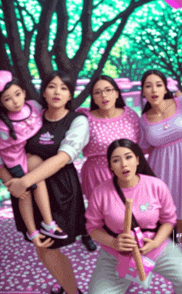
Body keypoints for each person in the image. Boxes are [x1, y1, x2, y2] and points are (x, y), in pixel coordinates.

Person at [1, 70, 88, 294]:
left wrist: (23, 182)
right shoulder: (31, 114)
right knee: (41, 247)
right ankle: (68, 287)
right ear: (43, 91)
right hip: (28, 192)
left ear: (70, 95)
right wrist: (12, 183)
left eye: (63, 88)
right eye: (52, 86)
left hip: (59, 192)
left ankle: (72, 291)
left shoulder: (77, 120)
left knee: (48, 249)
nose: (57, 92)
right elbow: (7, 153)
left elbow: (62, 158)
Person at [85, 138, 182, 294]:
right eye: (116, 160)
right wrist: (114, 242)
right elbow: (92, 228)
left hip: (156, 247)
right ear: (110, 166)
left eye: (128, 157)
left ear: (138, 159)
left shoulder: (156, 185)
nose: (124, 164)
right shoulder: (100, 192)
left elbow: (169, 220)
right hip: (115, 254)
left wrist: (155, 243)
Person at [0, 70, 67, 246]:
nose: (15, 101)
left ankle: (48, 222)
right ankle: (33, 231)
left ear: (23, 92)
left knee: (38, 178)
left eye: (17, 94)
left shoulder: (33, 107)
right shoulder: (2, 124)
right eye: (7, 99)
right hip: (14, 161)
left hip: (31, 156)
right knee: (24, 195)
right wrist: (6, 178)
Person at [138, 69, 182, 262]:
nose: (154, 90)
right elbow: (144, 148)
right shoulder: (144, 120)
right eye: (148, 86)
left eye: (158, 85)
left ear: (165, 88)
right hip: (160, 174)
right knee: (166, 224)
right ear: (143, 92)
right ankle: (176, 269)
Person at [77, 75, 140, 251]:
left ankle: (132, 248)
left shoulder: (129, 114)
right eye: (97, 92)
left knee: (128, 214)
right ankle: (105, 245)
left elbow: (137, 142)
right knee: (106, 216)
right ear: (93, 97)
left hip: (127, 171)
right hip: (98, 172)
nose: (103, 96)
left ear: (116, 93)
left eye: (108, 90)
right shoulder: (85, 119)